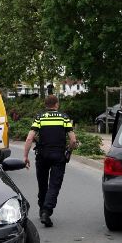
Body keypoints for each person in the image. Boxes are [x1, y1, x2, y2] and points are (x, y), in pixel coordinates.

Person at [23, 95, 77, 227]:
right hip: (58, 156)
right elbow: (73, 140)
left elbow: (30, 138)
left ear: (45, 105)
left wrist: (25, 156)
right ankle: (46, 211)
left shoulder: (40, 117)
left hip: (42, 155)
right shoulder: (64, 118)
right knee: (54, 185)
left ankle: (42, 209)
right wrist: (69, 151)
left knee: (42, 184)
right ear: (57, 104)